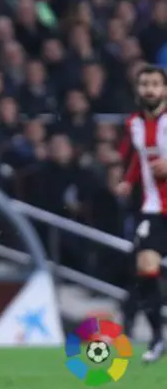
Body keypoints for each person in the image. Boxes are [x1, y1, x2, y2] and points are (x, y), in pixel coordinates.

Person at [116, 64, 167, 364]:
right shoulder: (133, 123)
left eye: (155, 84)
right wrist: (128, 181)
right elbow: (139, 158)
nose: (149, 89)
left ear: (165, 90)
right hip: (153, 208)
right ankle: (158, 338)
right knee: (145, 267)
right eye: (145, 84)